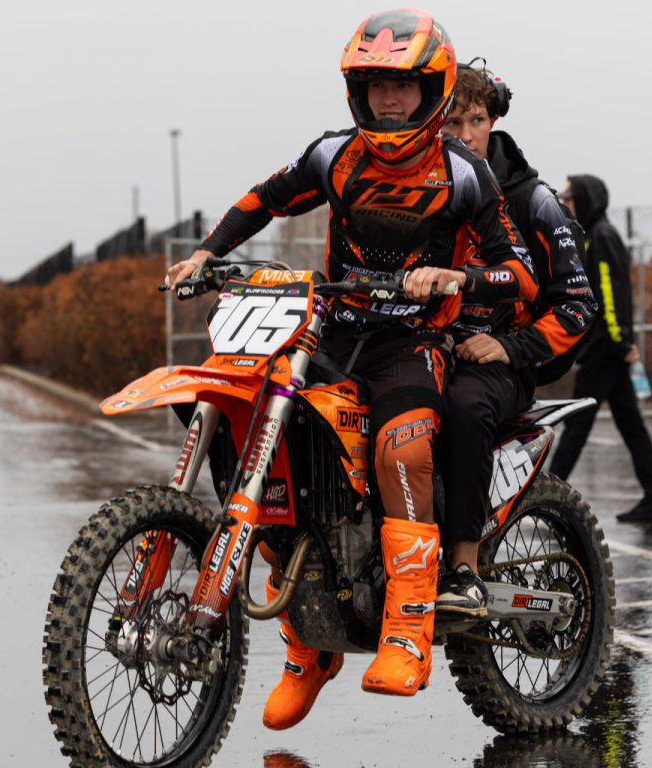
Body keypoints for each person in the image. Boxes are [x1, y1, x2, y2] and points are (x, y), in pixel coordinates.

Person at [167, 8, 537, 729]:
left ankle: (408, 627)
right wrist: (211, 252)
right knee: (273, 452)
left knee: (404, 442)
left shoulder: (466, 172)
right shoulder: (334, 156)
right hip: (333, 329)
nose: (387, 100)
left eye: (401, 86)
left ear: (430, 89)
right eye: (372, 85)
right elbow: (262, 199)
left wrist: (456, 280)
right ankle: (307, 646)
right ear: (355, 90)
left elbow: (517, 274)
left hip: (413, 344)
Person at [433, 62, 597, 614]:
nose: (463, 134)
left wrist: (511, 347)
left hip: (502, 365)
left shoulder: (533, 201)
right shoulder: (422, 194)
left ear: (493, 119)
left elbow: (577, 305)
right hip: (424, 349)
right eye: (450, 123)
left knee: (464, 405)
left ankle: (463, 567)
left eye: (474, 120)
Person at [548, 174, 652, 523]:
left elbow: (610, 297)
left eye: (572, 200)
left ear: (587, 200)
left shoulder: (601, 237)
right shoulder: (594, 235)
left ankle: (548, 498)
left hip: (606, 351)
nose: (567, 205)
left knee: (576, 427)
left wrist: (620, 343)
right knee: (631, 426)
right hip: (609, 350)